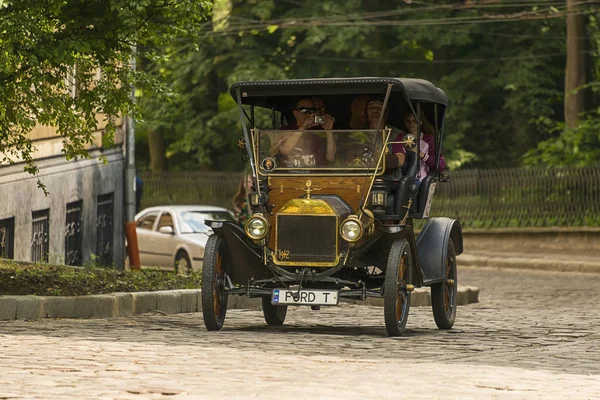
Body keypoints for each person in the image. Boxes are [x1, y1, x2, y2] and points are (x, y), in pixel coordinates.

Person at [271, 97, 336, 167]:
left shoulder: (319, 132)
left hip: (316, 175)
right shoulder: (285, 130)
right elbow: (285, 150)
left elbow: (331, 157)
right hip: (290, 176)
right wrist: (303, 128)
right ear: (295, 113)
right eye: (304, 110)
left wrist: (329, 131)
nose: (309, 114)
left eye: (312, 110)